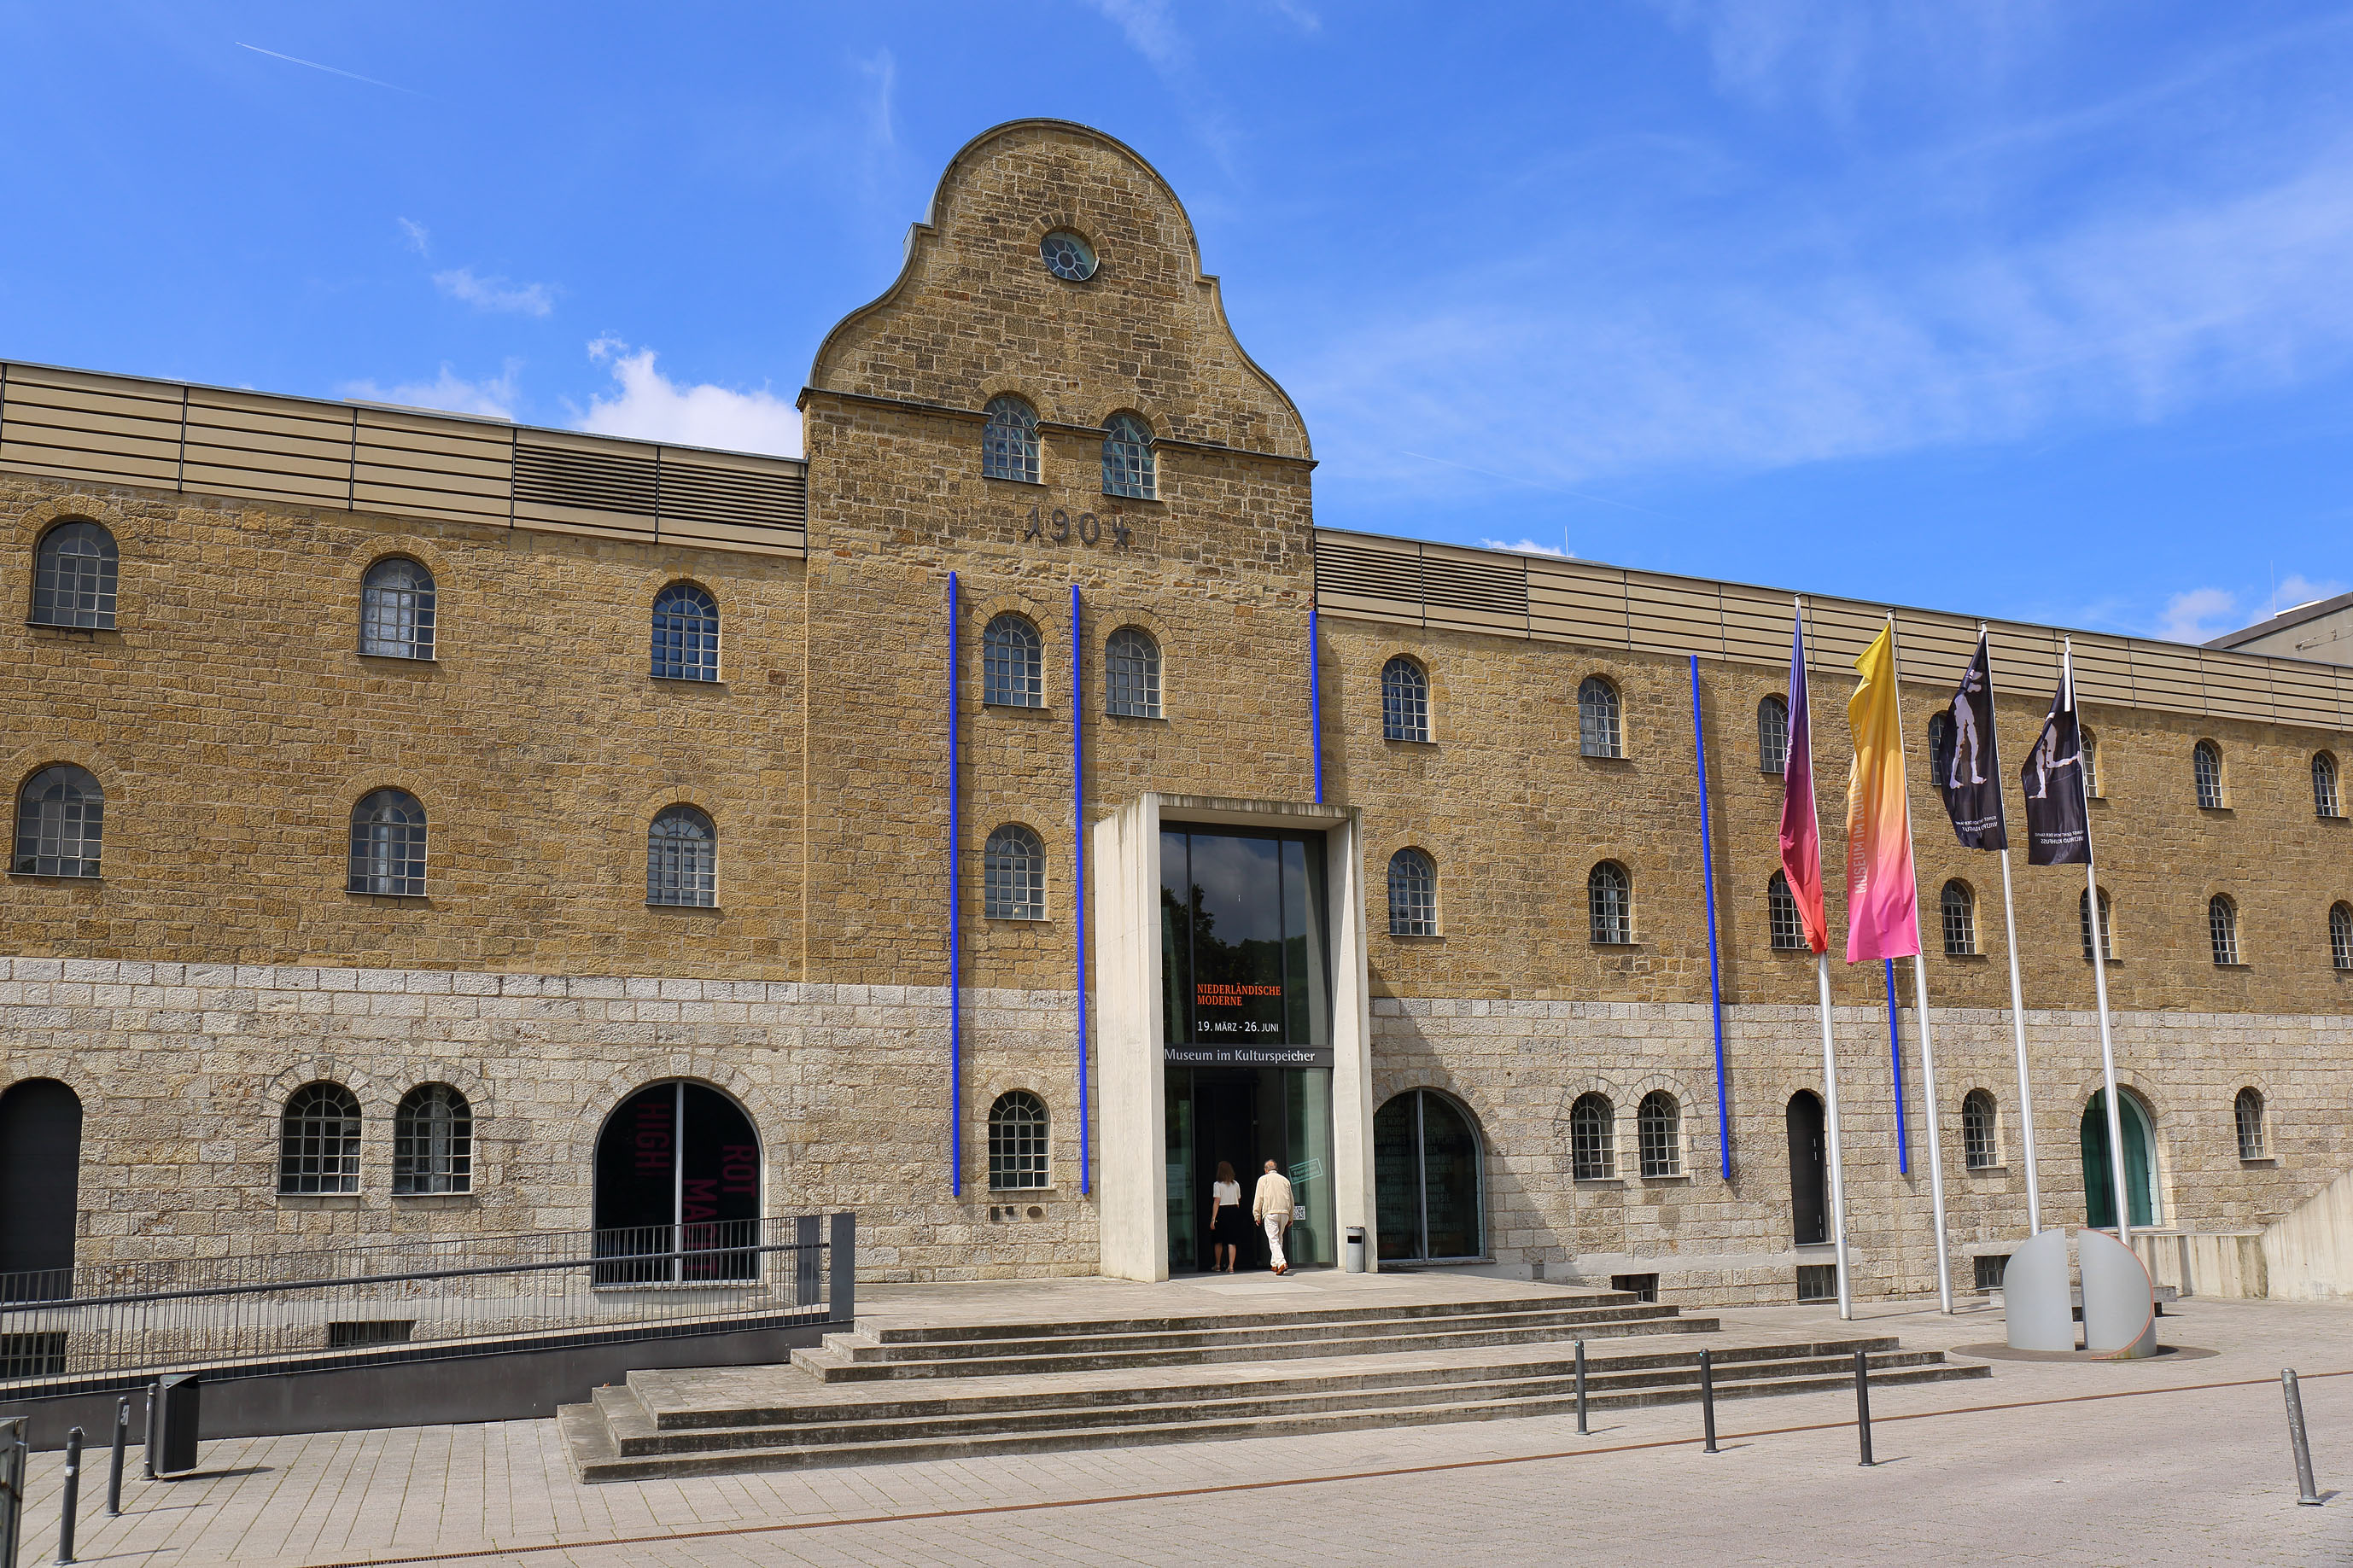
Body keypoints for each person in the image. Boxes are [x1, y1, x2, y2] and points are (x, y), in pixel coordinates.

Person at [1252, 1158, 1295, 1275]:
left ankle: (1281, 1263)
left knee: (1273, 1239)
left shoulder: (1263, 1180)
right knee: (1279, 1238)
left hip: (1271, 1212)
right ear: (1277, 1169)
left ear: (1266, 1170)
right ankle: (1274, 1264)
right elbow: (1291, 1199)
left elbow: (1259, 1198)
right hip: (1284, 1212)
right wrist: (1291, 1217)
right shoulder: (1285, 1180)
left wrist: (1257, 1215)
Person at [1207, 1160, 1244, 1274]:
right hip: (1234, 1211)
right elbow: (1238, 1200)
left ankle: (1218, 1265)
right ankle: (1231, 1266)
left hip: (1222, 1211)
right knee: (1231, 1241)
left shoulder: (1217, 1185)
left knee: (1218, 1240)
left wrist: (1213, 1219)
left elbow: (1216, 1201)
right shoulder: (1236, 1184)